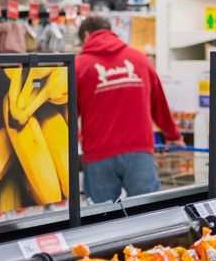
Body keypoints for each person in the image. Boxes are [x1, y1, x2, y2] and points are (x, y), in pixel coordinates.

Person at [75, 15, 182, 203]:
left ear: (86, 35)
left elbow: (68, 115)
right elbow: (159, 103)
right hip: (139, 151)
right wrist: (173, 136)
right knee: (148, 215)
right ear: (110, 30)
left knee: (102, 221)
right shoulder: (139, 59)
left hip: (98, 154)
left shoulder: (79, 66)